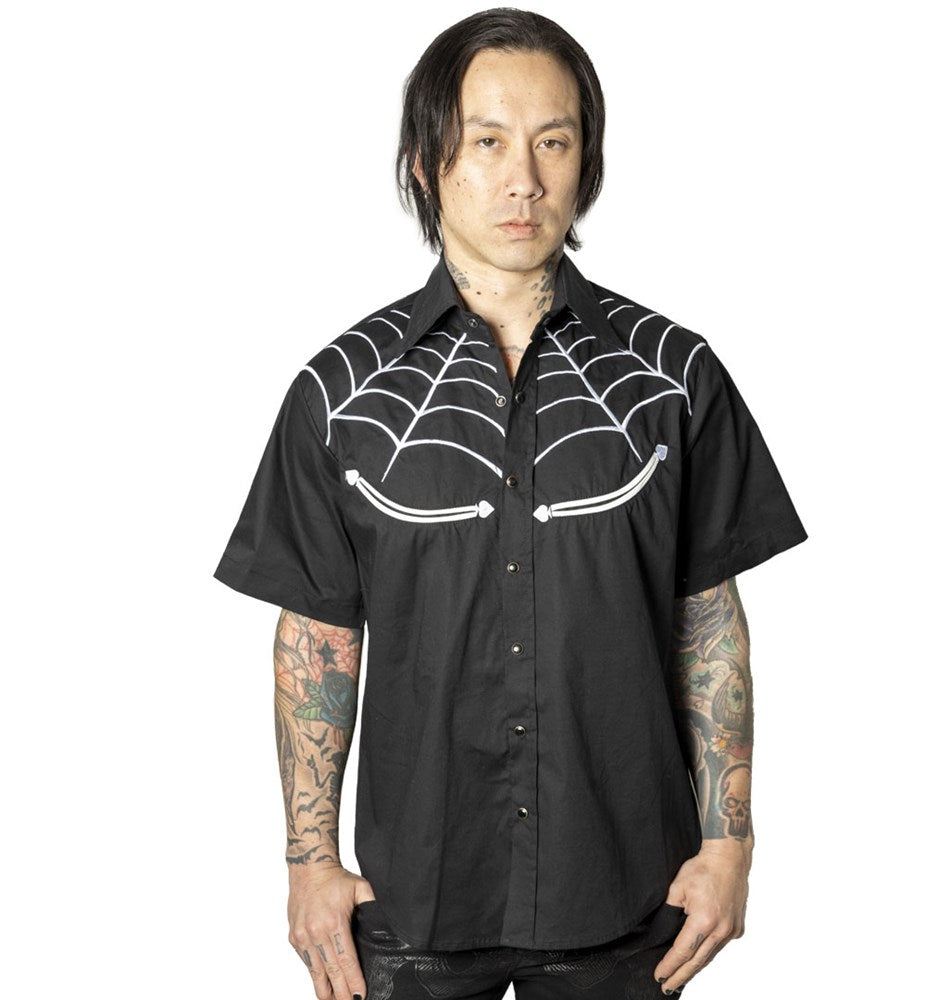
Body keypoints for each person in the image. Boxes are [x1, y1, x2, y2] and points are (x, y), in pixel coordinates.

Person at [213, 9, 808, 1000]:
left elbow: (707, 621)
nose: (523, 178)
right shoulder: (340, 394)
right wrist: (308, 863)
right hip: (412, 893)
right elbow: (317, 635)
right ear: (424, 162)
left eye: (553, 142)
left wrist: (729, 844)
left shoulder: (674, 378)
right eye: (487, 141)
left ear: (587, 163)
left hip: (629, 889)